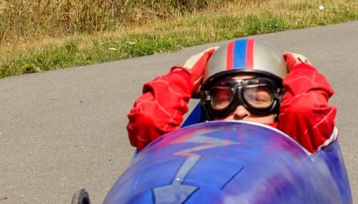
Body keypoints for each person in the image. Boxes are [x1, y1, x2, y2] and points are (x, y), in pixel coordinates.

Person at [126, 36, 337, 153]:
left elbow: (305, 109)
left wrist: (301, 70)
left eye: (258, 99)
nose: (240, 112)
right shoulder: (195, 145)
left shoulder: (297, 139)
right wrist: (184, 75)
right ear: (209, 104)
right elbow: (148, 120)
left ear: (279, 101)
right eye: (224, 99)